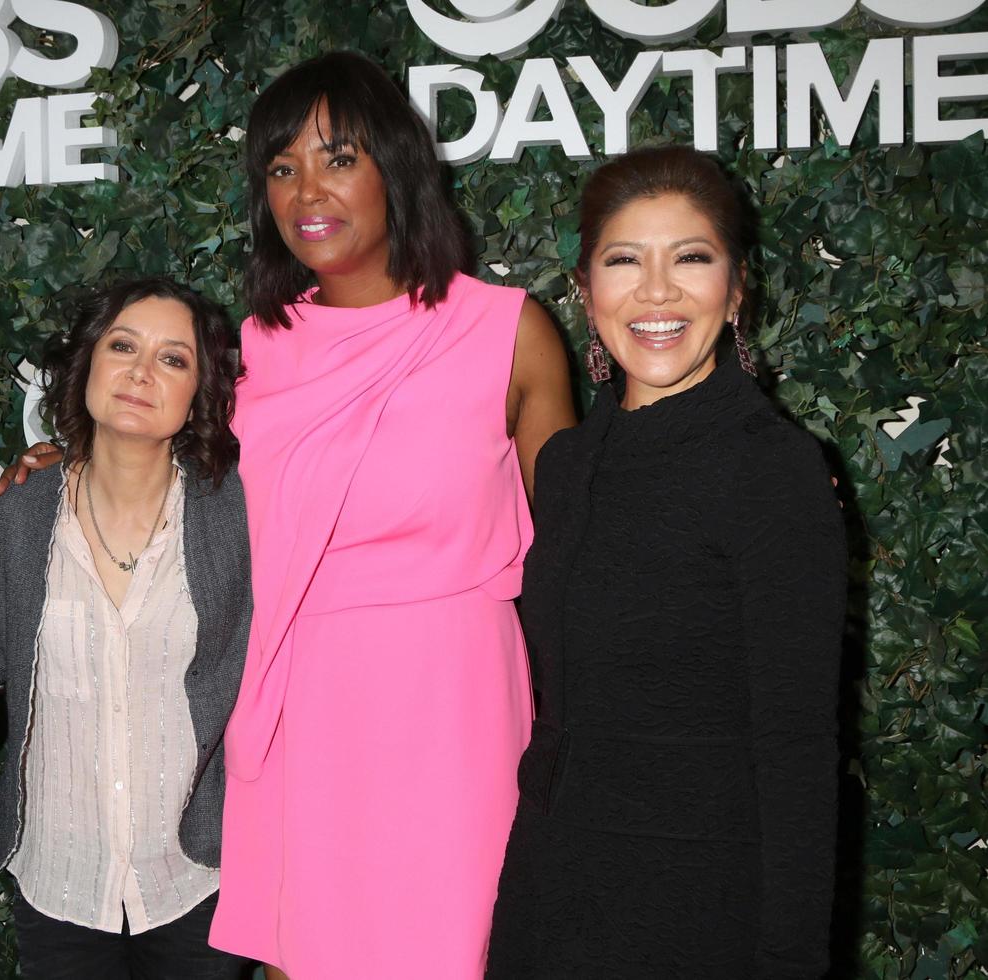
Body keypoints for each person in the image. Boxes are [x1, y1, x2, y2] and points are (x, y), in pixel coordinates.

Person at [201, 51, 575, 979]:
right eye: (281, 168)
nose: (305, 191)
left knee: (465, 947)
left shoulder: (507, 331)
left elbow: (581, 543)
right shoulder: (247, 350)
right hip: (304, 705)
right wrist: (52, 470)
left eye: (336, 157)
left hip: (458, 706)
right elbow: (161, 492)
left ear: (396, 169)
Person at [486, 146, 847, 977]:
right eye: (624, 261)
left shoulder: (772, 469)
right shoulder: (569, 464)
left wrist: (790, 959)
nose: (656, 292)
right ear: (584, 290)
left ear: (737, 285)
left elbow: (796, 748)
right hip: (551, 890)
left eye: (691, 257)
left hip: (703, 905)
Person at [0, 278, 254, 979]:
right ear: (87, 364)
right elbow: (4, 673)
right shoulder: (16, 519)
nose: (139, 372)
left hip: (197, 875)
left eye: (173, 359)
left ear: (201, 392)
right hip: (61, 879)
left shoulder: (238, 518)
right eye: (123, 346)